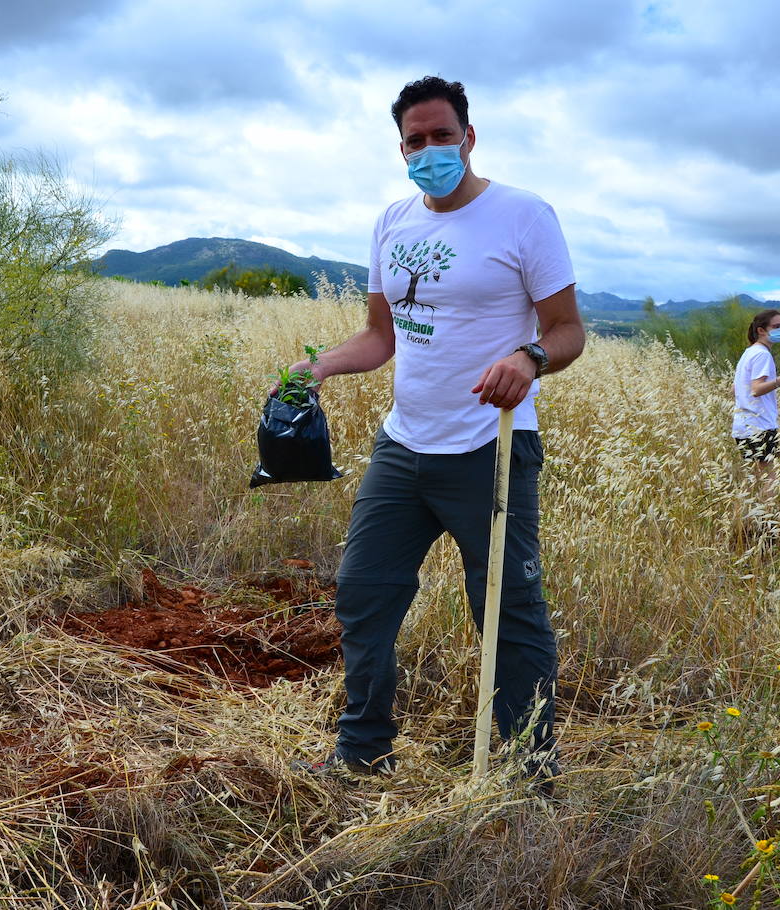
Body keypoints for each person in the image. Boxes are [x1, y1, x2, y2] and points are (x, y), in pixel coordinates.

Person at [287, 76, 584, 786]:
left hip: (491, 448)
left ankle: (525, 774)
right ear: (401, 149)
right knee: (363, 591)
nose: (429, 150)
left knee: (509, 614)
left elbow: (568, 330)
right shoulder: (393, 222)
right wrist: (316, 367)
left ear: (468, 137)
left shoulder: (523, 216)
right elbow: (378, 337)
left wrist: (530, 358)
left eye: (440, 135)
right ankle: (363, 752)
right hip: (403, 446)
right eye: (414, 140)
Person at [732, 309, 780, 491]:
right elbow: (756, 389)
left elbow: (735, 388)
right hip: (759, 426)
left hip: (743, 426)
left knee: (756, 480)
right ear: (761, 330)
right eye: (776, 326)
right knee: (770, 479)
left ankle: (751, 518)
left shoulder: (748, 352)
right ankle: (768, 518)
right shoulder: (762, 354)